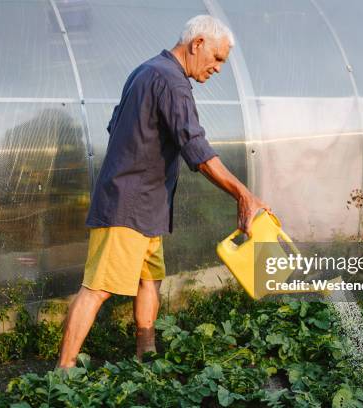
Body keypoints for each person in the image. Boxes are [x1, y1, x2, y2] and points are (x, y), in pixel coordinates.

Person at [56, 15, 270, 368]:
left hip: (146, 204)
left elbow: (117, 126)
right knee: (97, 289)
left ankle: (147, 357)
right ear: (197, 44)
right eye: (217, 58)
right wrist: (243, 195)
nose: (218, 68)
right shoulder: (172, 82)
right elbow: (196, 149)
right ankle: (61, 374)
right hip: (128, 203)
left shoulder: (145, 71)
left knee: (149, 280)